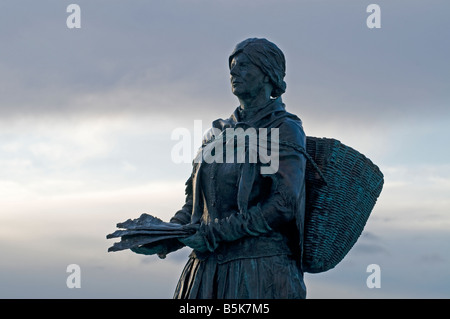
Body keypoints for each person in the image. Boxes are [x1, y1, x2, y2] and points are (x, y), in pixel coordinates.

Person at [137, 38, 308, 299]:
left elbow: (283, 204)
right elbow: (194, 206)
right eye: (232, 66)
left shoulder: (282, 129)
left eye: (243, 65)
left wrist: (214, 233)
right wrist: (167, 236)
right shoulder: (216, 133)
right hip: (205, 272)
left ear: (267, 74)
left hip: (260, 274)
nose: (233, 72)